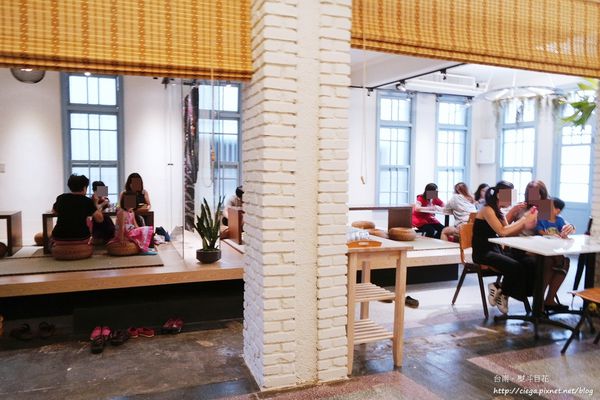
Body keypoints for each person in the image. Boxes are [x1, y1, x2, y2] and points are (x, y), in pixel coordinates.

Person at [472, 180, 538, 314]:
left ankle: (501, 288)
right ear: (499, 195)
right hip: (483, 252)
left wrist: (524, 223)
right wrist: (523, 220)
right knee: (516, 266)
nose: (512, 199)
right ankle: (503, 292)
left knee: (529, 262)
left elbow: (508, 233)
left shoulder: (499, 211)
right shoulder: (487, 209)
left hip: (496, 250)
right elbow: (502, 231)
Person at [536, 197, 575, 311]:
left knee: (566, 262)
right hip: (543, 249)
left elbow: (566, 230)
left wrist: (565, 233)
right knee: (551, 261)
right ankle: (539, 302)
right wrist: (550, 235)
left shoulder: (559, 220)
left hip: (555, 249)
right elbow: (540, 231)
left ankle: (550, 299)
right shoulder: (542, 218)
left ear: (557, 211)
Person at [52, 174, 104, 241]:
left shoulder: (61, 198)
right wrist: (95, 203)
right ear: (84, 188)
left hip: (59, 236)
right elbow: (100, 219)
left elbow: (54, 211)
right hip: (81, 236)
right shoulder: (87, 201)